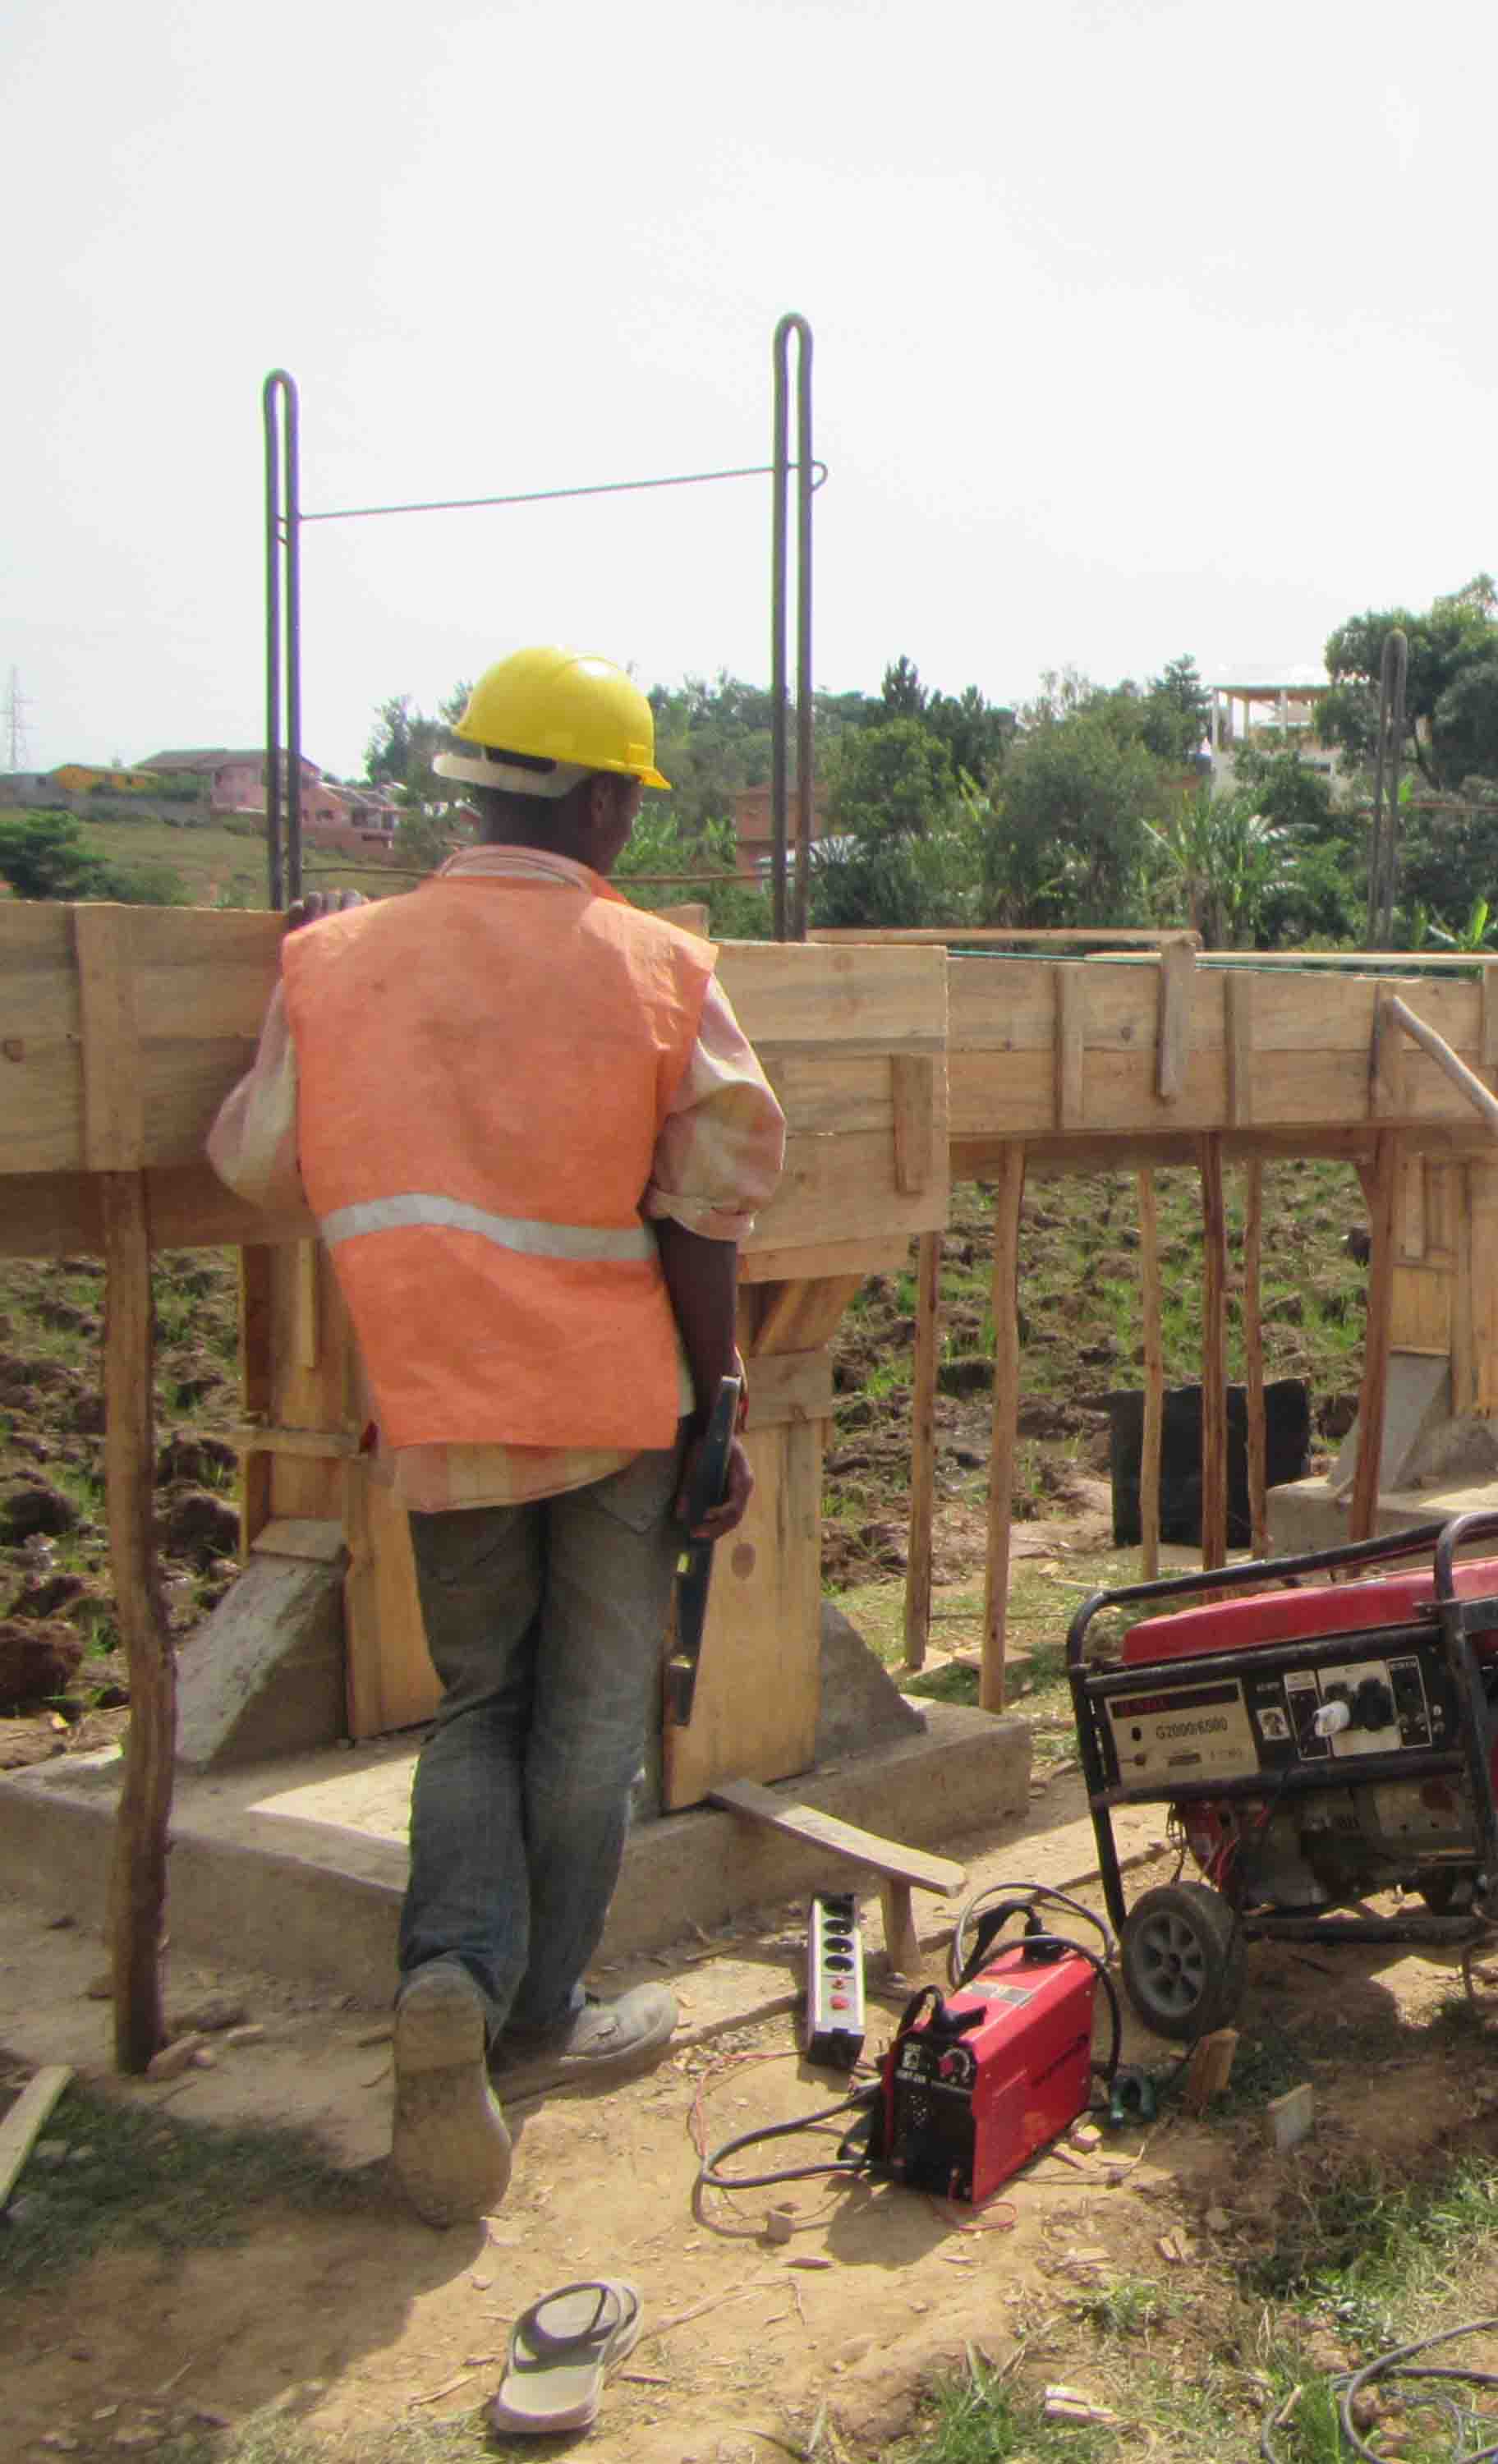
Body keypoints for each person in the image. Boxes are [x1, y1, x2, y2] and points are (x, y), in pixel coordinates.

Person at [207, 646, 785, 2225]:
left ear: (475, 787)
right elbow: (716, 1196)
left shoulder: (334, 962)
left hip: (438, 1402)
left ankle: (447, 1974)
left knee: (478, 1705)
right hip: (610, 1408)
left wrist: (314, 988)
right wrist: (719, 1404)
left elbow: (256, 1164)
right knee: (590, 1721)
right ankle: (544, 2014)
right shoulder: (660, 965)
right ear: (601, 798)